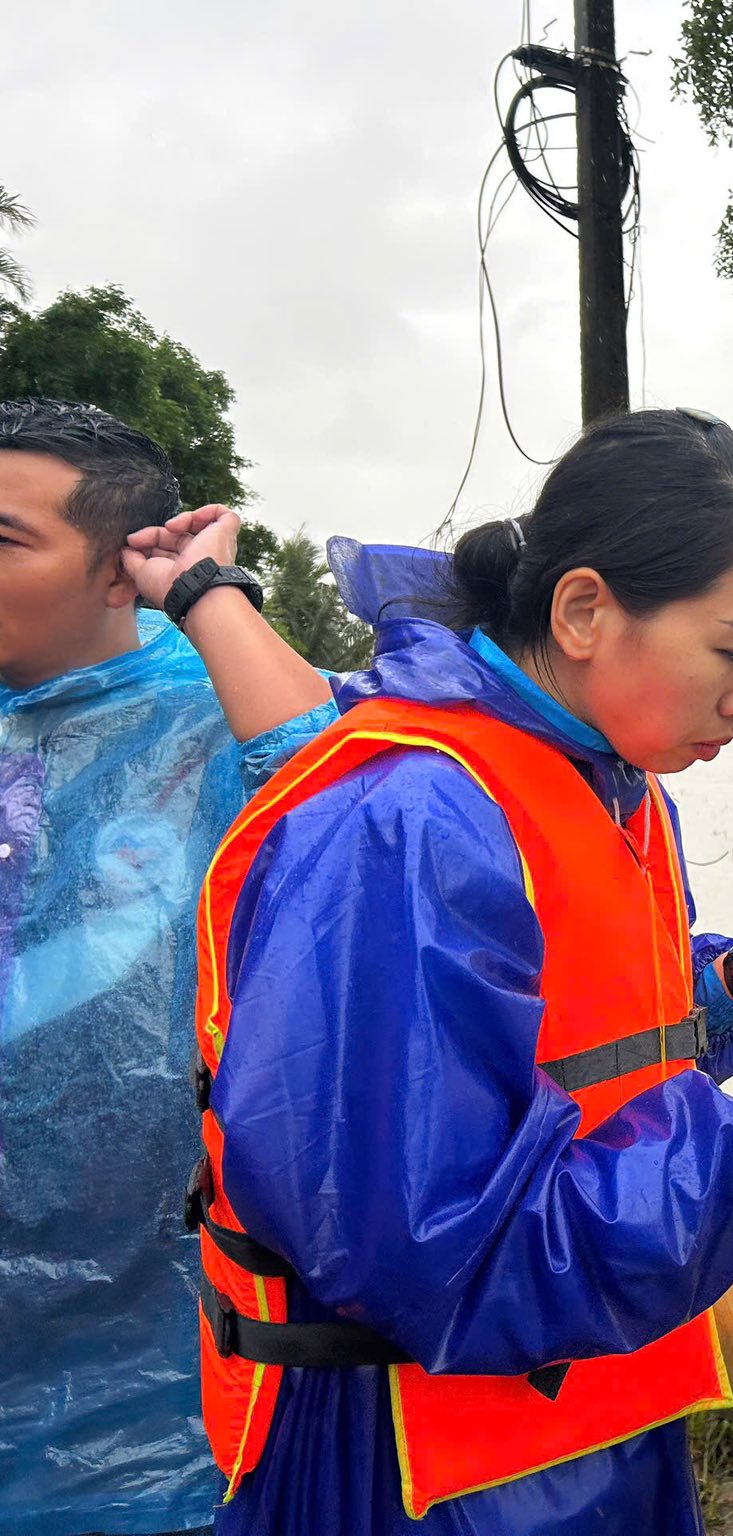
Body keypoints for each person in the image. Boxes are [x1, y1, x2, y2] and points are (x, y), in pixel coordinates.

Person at [180, 405, 733, 1536]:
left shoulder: (610, 781)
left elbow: (565, 1049)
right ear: (585, 609)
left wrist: (726, 983)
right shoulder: (412, 823)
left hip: (591, 1419)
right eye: (731, 649)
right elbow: (430, 1249)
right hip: (411, 1467)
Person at [0, 397, 337, 1536]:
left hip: (148, 1346)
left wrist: (204, 591)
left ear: (112, 577)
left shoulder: (200, 716)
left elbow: (338, 795)